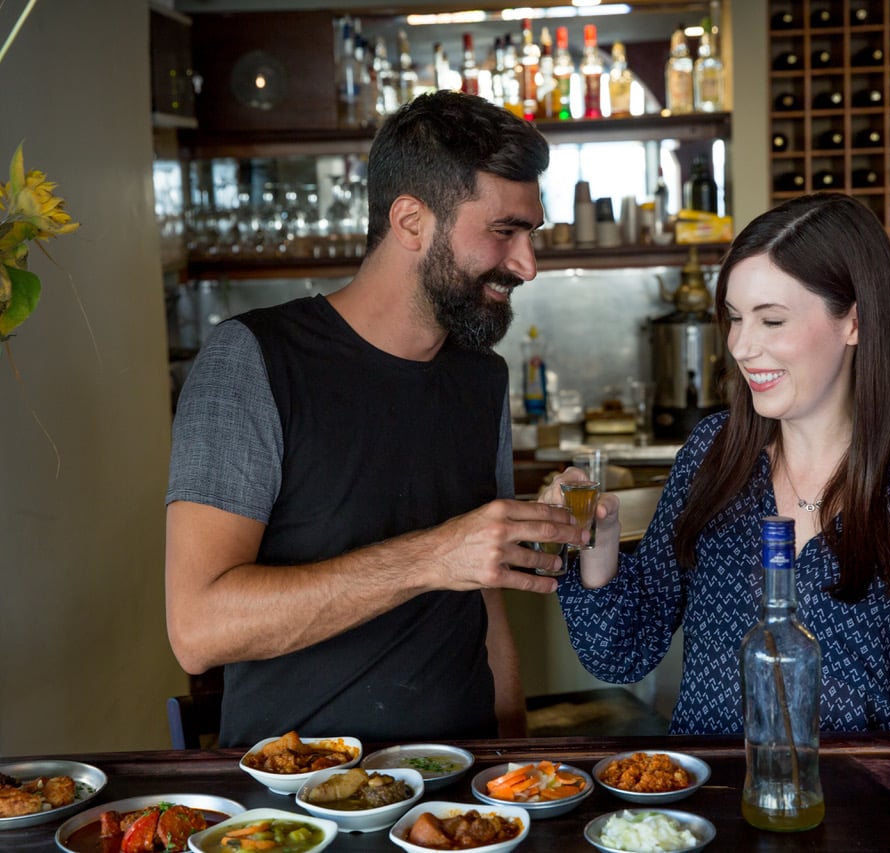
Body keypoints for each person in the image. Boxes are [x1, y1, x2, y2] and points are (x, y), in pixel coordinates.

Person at [165, 91, 583, 747]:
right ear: (412, 221)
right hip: (301, 803)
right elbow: (197, 631)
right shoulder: (252, 360)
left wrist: (512, 758)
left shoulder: (481, 374)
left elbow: (486, 594)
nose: (527, 263)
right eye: (505, 231)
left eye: (531, 234)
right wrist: (432, 556)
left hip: (465, 797)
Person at [552, 193, 890, 733]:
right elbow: (621, 655)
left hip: (870, 814)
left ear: (855, 322)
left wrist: (859, 778)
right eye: (734, 319)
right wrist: (599, 541)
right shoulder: (713, 455)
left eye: (771, 321)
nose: (742, 347)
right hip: (714, 809)